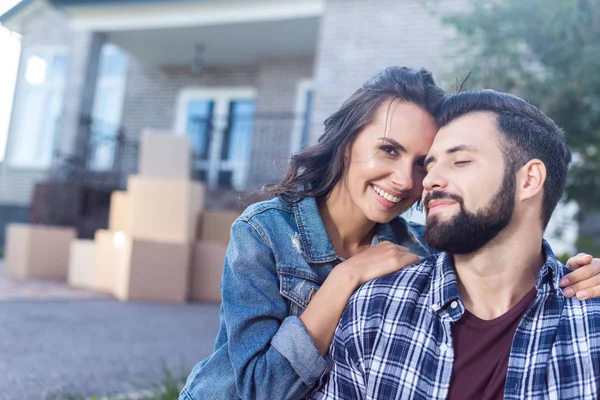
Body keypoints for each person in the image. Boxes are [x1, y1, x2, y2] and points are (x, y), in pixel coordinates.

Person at [180, 69, 600, 400]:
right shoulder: (266, 231)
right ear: (347, 143)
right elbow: (259, 390)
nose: (410, 180)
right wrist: (346, 278)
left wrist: (582, 275)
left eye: (422, 163)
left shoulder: (418, 248)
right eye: (389, 149)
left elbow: (496, 260)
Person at [314, 90, 600, 400]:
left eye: (460, 161)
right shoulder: (374, 310)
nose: (427, 181)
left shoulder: (590, 323)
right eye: (431, 164)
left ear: (529, 179)